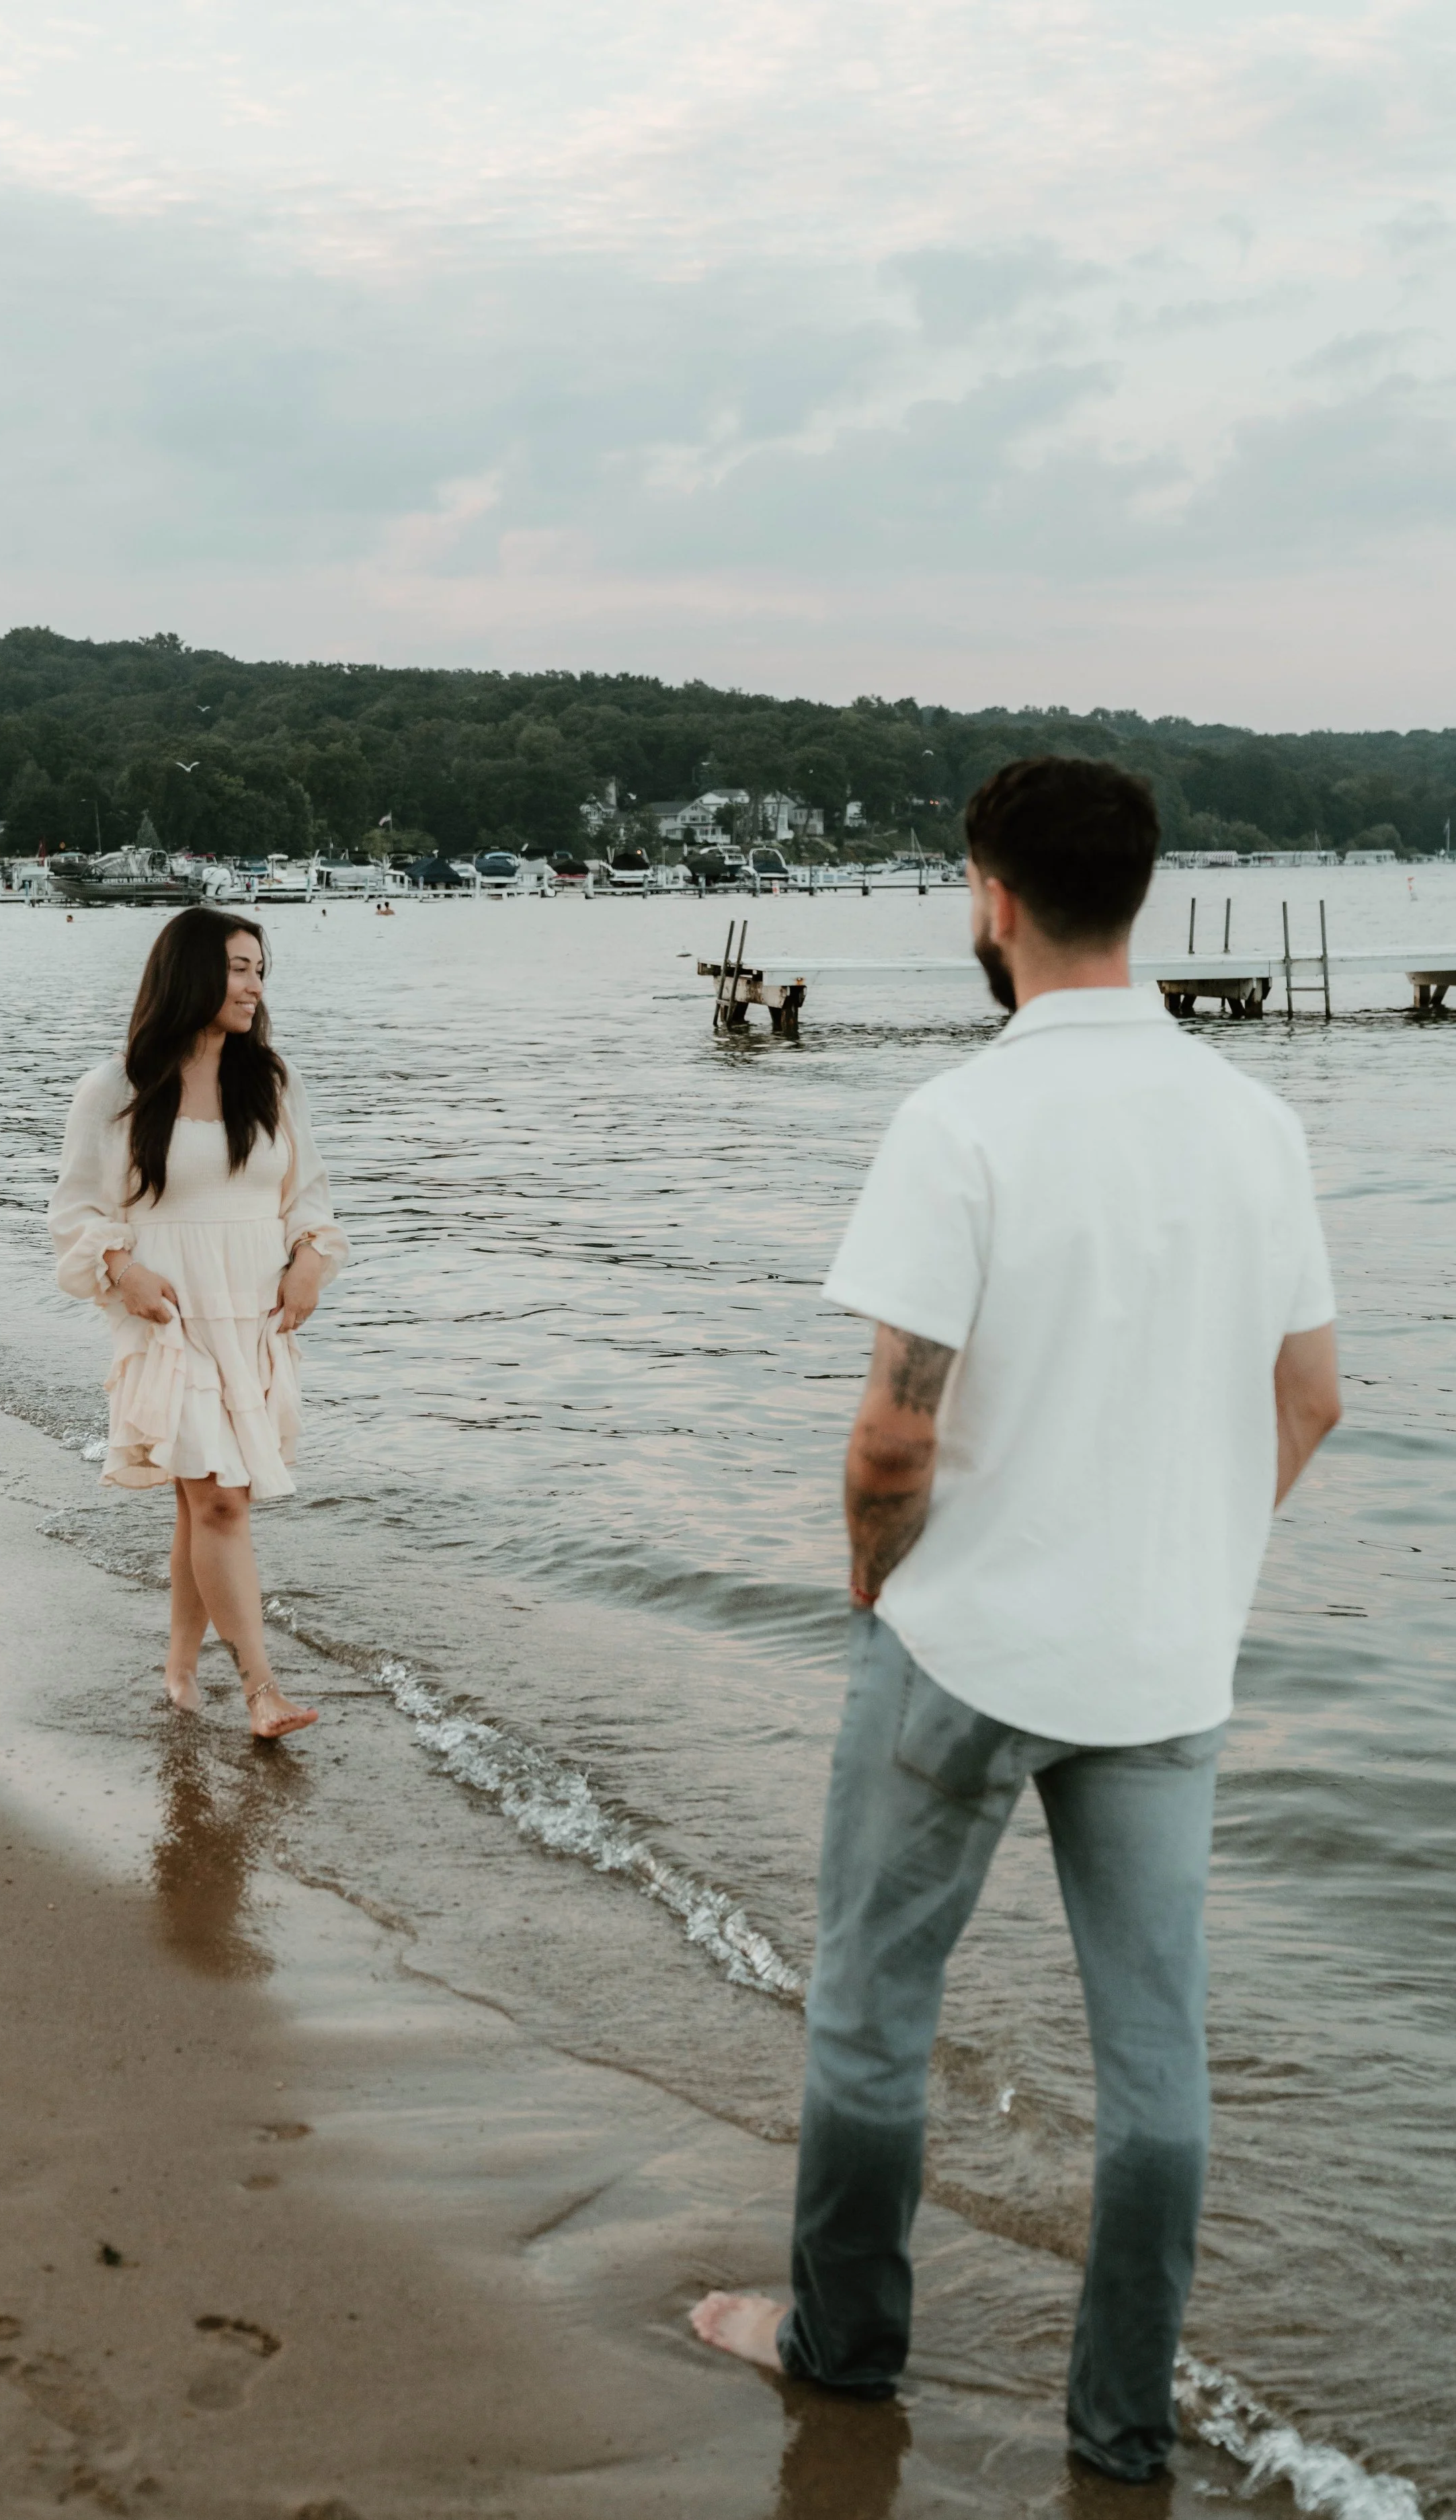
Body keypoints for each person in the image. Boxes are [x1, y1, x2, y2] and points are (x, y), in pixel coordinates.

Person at [690, 756, 1341, 2483]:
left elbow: (896, 1425)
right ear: (1149, 893)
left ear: (987, 892)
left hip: (965, 1642)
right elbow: (1313, 1398)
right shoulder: (1256, 1124)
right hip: (1163, 1660)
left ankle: (844, 2341)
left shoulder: (961, 1120)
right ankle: (1119, 2429)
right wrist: (1193, 1558)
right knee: (1155, 2062)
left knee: (871, 2010)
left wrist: (871, 1576)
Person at [50, 906, 348, 1741]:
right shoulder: (117, 1087)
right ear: (191, 974)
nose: (256, 986)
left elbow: (310, 1201)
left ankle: (180, 1675)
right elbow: (76, 1216)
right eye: (241, 968)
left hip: (253, 1317)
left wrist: (310, 1264)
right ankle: (261, 1689)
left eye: (261, 970)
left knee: (202, 1503)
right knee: (218, 1501)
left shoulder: (272, 1082)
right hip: (167, 1321)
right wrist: (124, 1269)